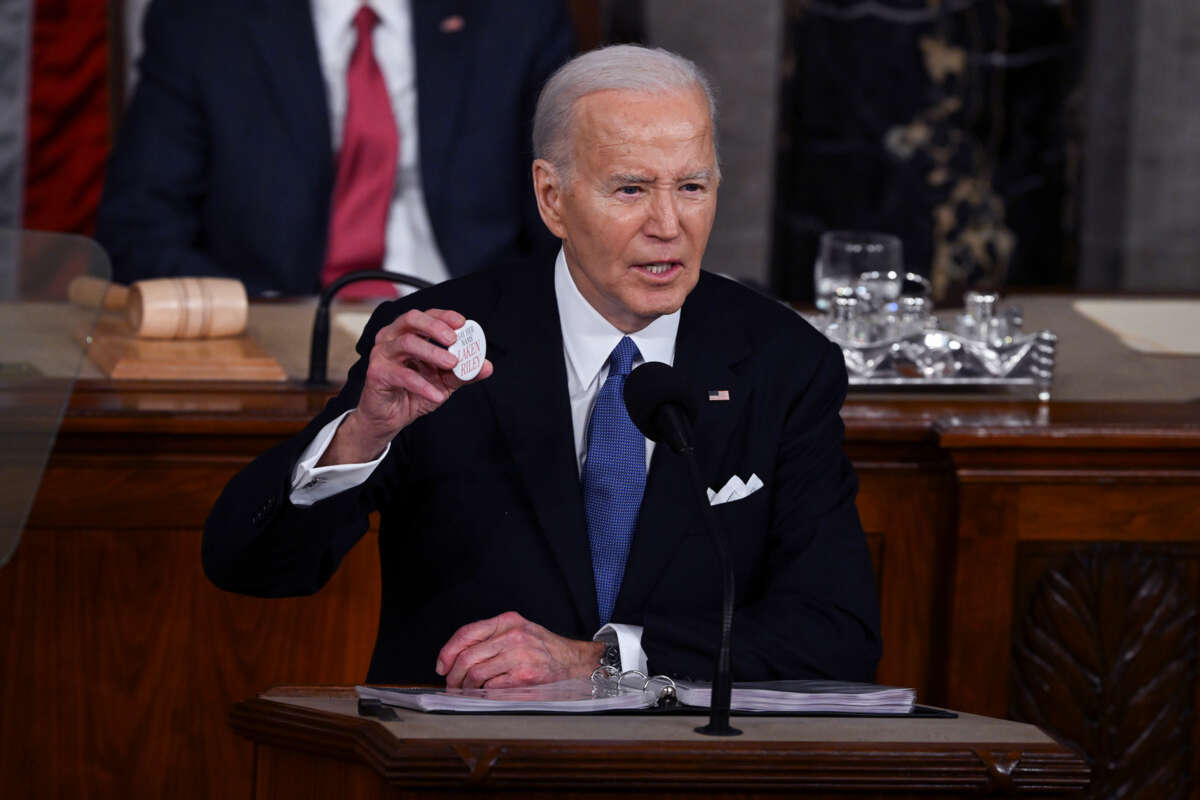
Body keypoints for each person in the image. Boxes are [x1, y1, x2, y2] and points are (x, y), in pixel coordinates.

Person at [203, 44, 881, 687]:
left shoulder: (782, 362)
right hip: (465, 765)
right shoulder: (441, 344)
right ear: (552, 197)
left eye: (693, 186)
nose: (669, 224)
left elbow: (836, 634)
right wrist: (363, 434)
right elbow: (249, 566)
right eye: (630, 190)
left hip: (681, 763)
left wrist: (604, 660)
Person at [95, 0, 571, 296]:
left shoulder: (517, 14)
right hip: (279, 341)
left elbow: (568, 217)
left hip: (475, 340)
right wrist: (255, 313)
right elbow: (140, 228)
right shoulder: (202, 19)